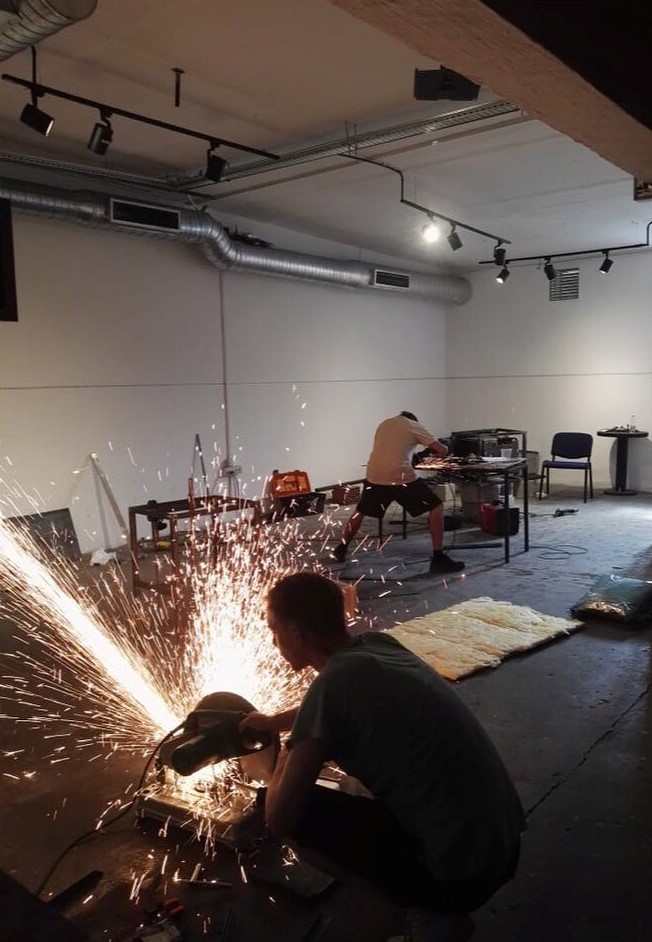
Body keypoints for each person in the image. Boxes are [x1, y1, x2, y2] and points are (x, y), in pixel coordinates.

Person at [241, 573, 526, 941]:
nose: (273, 641)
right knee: (355, 785)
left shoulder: (333, 685)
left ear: (296, 633)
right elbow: (326, 706)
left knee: (299, 814)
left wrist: (284, 752)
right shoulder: (376, 646)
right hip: (502, 845)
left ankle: (431, 915)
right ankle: (437, 904)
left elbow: (279, 818)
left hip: (462, 877)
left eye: (274, 630)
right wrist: (273, 723)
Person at [332, 411, 464, 575]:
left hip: (374, 475)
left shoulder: (384, 424)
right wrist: (439, 448)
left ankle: (341, 547)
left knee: (361, 510)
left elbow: (394, 450)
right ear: (414, 420)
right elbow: (442, 450)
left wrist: (418, 455)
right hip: (400, 476)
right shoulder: (413, 425)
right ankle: (438, 558)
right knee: (436, 506)